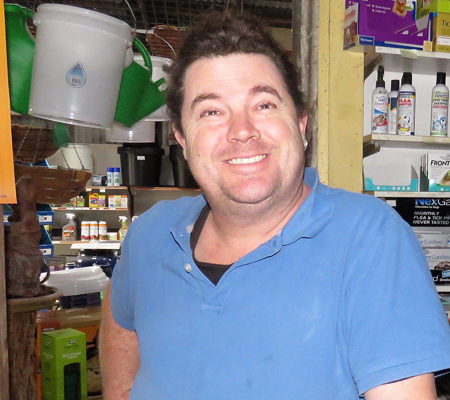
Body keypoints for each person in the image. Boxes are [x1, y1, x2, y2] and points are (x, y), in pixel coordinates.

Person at [99, 11, 450, 399]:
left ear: (300, 124)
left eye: (263, 104)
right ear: (182, 140)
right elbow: (121, 320)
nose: (242, 131)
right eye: (212, 112)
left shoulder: (371, 239)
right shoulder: (149, 234)